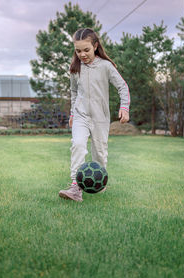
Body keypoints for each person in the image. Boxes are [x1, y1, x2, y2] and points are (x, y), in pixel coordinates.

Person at [59, 28, 130, 202]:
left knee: (99, 153)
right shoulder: (75, 69)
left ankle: (99, 183)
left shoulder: (106, 66)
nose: (82, 54)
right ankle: (75, 187)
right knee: (77, 144)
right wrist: (72, 114)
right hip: (81, 115)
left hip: (100, 117)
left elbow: (122, 87)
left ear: (95, 46)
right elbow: (74, 92)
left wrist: (125, 107)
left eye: (86, 50)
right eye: (78, 51)